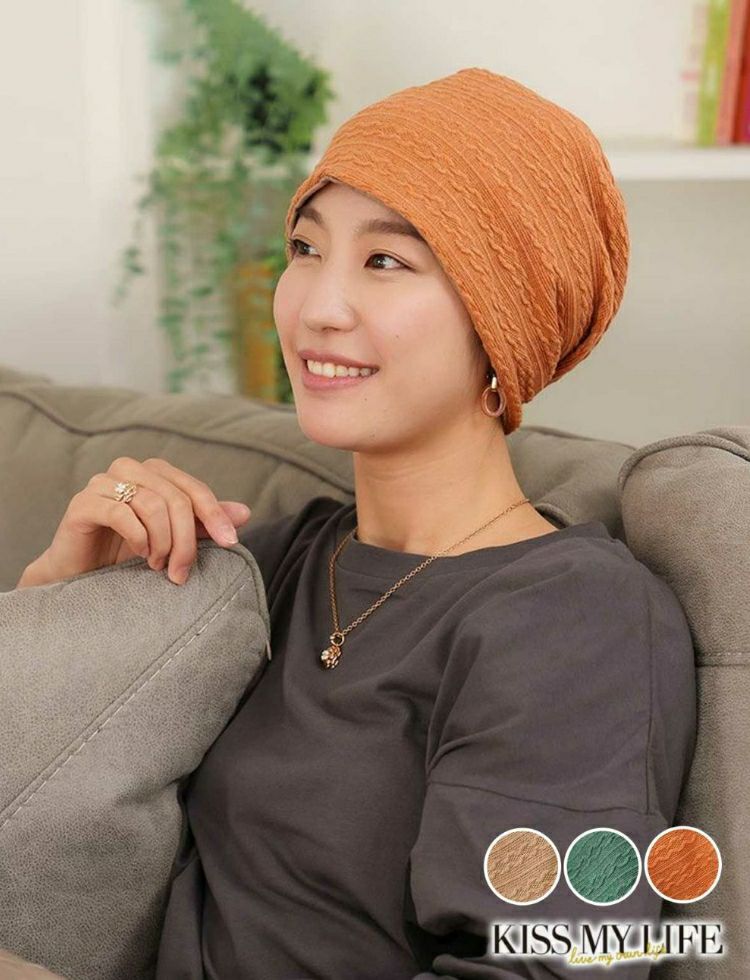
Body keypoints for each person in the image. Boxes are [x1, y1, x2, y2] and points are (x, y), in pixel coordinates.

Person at [18, 68, 697, 979]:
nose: (316, 307)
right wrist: (62, 602)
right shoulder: (268, 562)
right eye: (306, 247)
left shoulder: (575, 617)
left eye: (386, 261)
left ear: (503, 325)